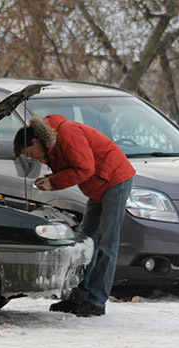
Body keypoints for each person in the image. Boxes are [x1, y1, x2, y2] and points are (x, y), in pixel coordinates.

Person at [13, 114, 135, 317]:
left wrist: (54, 182)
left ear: (35, 141)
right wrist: (51, 178)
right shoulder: (52, 143)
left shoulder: (68, 133)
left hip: (115, 180)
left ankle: (95, 301)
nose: (33, 158)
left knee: (106, 244)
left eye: (30, 152)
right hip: (99, 185)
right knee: (86, 240)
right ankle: (79, 297)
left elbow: (85, 168)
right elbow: (72, 166)